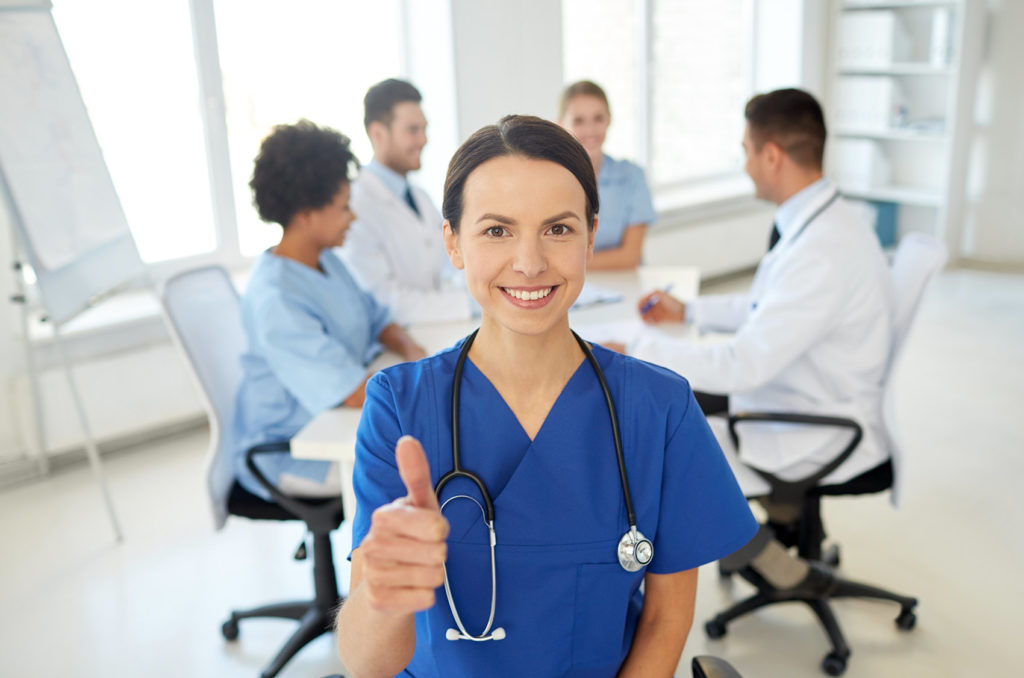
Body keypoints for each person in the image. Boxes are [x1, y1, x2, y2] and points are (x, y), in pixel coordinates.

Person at [335, 115, 758, 677]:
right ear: (453, 243)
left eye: (558, 229)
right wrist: (383, 595)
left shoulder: (659, 410)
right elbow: (367, 665)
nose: (530, 262)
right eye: (496, 230)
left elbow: (664, 621)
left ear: (590, 234)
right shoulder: (400, 406)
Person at [627, 88, 896, 497]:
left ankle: (771, 562)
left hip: (808, 427)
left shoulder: (820, 253)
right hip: (794, 392)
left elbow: (742, 364)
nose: (745, 165)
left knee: (653, 440)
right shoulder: (827, 222)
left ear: (771, 157)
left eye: (747, 152)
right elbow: (766, 307)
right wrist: (689, 311)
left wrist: (632, 351)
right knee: (672, 395)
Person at [232, 120, 426, 501]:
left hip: (340, 424)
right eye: (343, 208)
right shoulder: (277, 299)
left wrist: (412, 351)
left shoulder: (324, 260)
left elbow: (378, 318)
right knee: (424, 470)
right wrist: (424, 382)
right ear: (305, 214)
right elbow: (352, 392)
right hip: (298, 450)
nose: (352, 217)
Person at [339, 78, 473, 324]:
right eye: (412, 130)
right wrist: (467, 304)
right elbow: (382, 300)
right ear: (377, 133)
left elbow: (453, 261)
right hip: (402, 343)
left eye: (424, 129)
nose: (423, 140)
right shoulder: (355, 204)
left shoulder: (420, 197)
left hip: (438, 328)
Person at [559, 80, 656, 270]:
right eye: (579, 120)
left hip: (625, 284)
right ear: (561, 123)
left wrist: (567, 264)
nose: (590, 130)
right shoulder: (551, 181)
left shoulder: (632, 177)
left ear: (609, 120)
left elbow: (629, 257)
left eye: (598, 118)